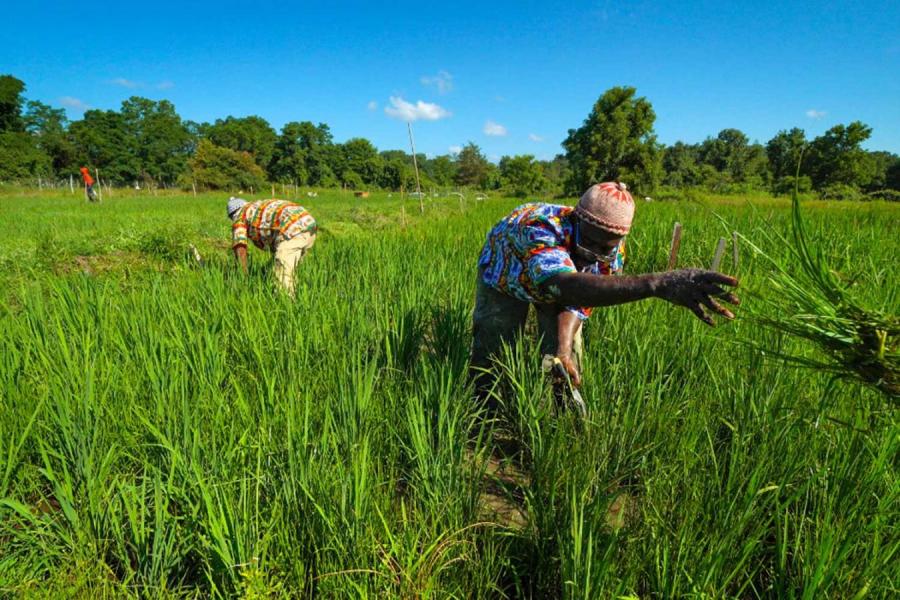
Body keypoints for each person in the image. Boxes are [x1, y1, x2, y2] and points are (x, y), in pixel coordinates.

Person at [470, 181, 739, 406]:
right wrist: (657, 284)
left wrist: (562, 350)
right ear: (576, 218)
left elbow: (577, 301)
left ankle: (556, 414)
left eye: (605, 246)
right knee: (496, 339)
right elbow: (564, 285)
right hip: (508, 274)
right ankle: (485, 406)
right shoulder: (540, 228)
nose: (595, 252)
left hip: (563, 282)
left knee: (567, 356)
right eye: (589, 240)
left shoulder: (613, 254)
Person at [227, 197, 317, 296]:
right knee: (281, 269)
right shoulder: (256, 207)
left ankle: (285, 304)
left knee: (282, 274)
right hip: (308, 223)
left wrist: (242, 278)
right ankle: (298, 295)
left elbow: (240, 247)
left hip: (291, 229)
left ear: (232, 215)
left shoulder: (240, 217)